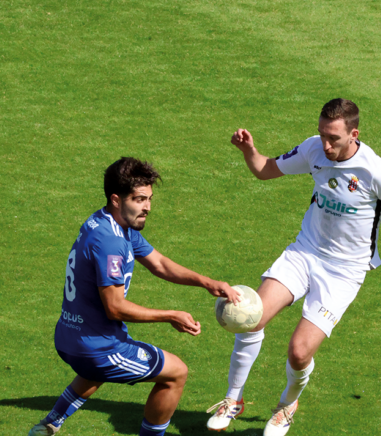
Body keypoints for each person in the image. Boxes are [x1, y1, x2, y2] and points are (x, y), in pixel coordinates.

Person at [205, 99, 381, 435]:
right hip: (304, 252)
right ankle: (233, 398)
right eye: (322, 134)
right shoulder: (314, 149)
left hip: (344, 271)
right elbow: (265, 169)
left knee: (299, 353)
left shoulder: (375, 171)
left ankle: (286, 405)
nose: (325, 144)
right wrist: (249, 151)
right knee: (250, 317)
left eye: (333, 138)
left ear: (354, 134)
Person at [28, 157, 240, 436]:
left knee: (98, 370)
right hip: (97, 347)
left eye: (149, 199)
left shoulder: (106, 223)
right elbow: (115, 308)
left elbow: (159, 264)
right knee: (176, 373)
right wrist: (170, 316)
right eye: (139, 199)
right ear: (116, 199)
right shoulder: (111, 242)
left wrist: (207, 283)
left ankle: (48, 425)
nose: (147, 207)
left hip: (69, 336)